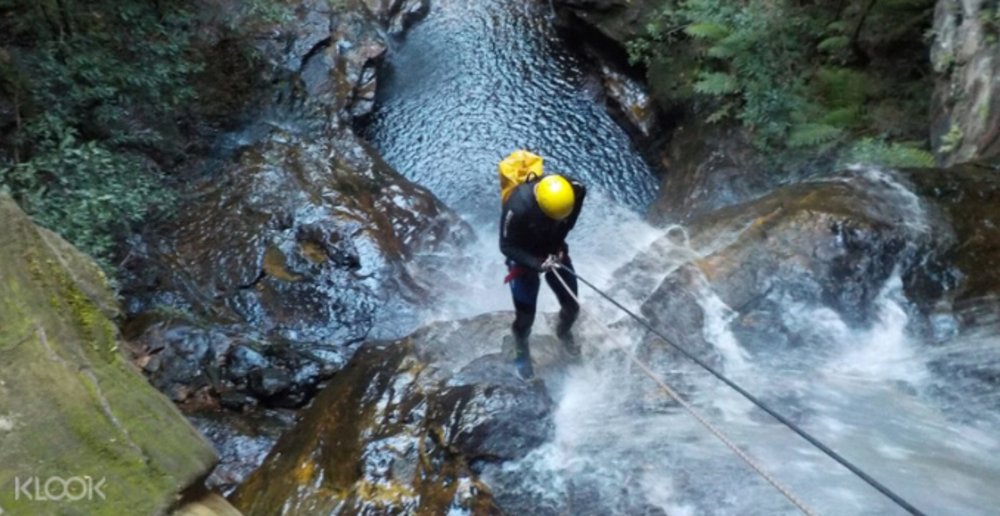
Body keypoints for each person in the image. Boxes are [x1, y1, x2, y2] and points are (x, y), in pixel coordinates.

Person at [500, 172, 587, 380]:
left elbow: (569, 221)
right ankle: (521, 350)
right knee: (525, 318)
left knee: (572, 306)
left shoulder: (576, 190)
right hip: (524, 259)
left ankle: (563, 333)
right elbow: (506, 245)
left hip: (554, 250)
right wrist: (536, 264)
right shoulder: (518, 206)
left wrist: (558, 246)